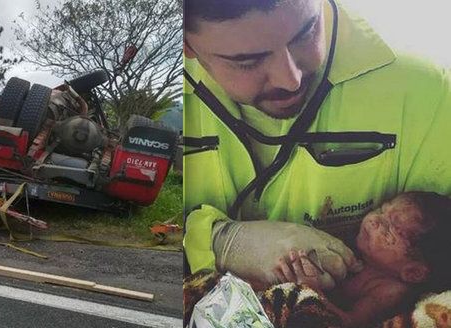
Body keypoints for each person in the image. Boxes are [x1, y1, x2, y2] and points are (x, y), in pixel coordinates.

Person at [182, 0, 451, 280]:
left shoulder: (430, 91)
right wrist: (220, 242)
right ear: (187, 45)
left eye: (306, 33)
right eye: (247, 61)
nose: (291, 80)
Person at [273, 192, 451, 327]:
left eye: (389, 230)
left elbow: (347, 323)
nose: (374, 219)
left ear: (413, 272)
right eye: (381, 210)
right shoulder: (365, 255)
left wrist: (310, 289)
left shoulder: (390, 292)